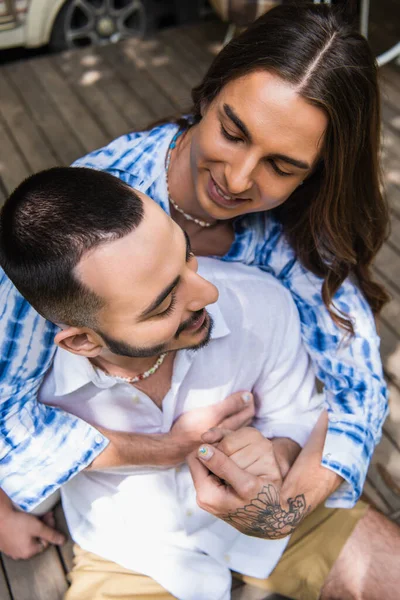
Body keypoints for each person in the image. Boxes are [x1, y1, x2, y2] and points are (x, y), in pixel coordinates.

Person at [0, 3, 390, 556]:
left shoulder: (302, 228)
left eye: (282, 166)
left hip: (270, 471)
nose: (237, 179)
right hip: (127, 525)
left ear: (317, 171)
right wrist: (159, 450)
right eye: (233, 133)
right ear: (207, 95)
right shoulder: (86, 233)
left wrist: (283, 508)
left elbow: (359, 389)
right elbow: (4, 413)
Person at [2, 166, 395, 600]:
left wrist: (277, 456)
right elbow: (16, 454)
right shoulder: (27, 386)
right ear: (82, 340)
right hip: (131, 553)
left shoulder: (258, 301)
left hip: (285, 509)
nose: (207, 293)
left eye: (185, 254)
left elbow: (296, 414)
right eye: (163, 303)